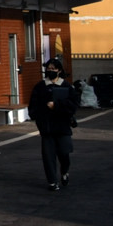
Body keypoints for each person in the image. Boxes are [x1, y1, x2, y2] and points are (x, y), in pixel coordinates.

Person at [28, 59, 79, 190]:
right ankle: (52, 181)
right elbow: (33, 107)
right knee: (48, 156)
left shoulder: (66, 86)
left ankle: (64, 172)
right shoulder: (40, 87)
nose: (50, 71)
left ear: (59, 70)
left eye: (53, 69)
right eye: (48, 68)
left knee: (64, 153)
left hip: (62, 127)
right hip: (47, 127)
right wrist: (40, 118)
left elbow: (73, 105)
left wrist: (57, 105)